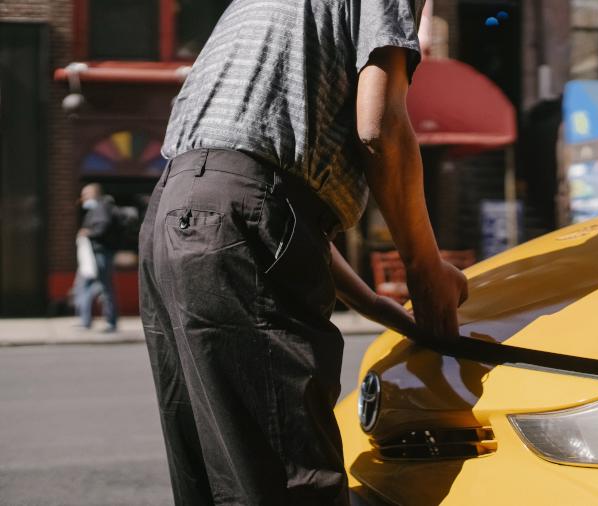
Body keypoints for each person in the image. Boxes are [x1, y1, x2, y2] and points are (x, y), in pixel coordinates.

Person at [138, 0, 468, 504]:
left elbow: (253, 190)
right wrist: (425, 270)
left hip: (173, 214)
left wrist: (378, 306)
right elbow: (380, 128)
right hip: (230, 215)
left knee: (217, 479)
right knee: (291, 481)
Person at [76, 183, 118, 332]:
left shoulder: (101, 207)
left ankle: (109, 322)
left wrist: (88, 232)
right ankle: (86, 320)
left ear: (95, 193)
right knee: (86, 286)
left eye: (86, 195)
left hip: (100, 254)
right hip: (94, 255)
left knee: (103, 287)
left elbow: (102, 227)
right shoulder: (97, 208)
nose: (83, 198)